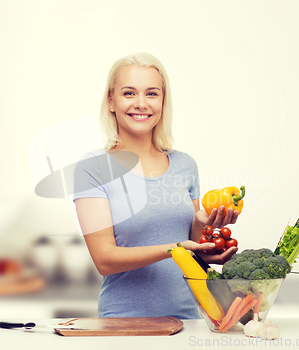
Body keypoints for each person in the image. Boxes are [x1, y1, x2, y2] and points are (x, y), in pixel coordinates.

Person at [73, 53, 239, 319]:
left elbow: (192, 250)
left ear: (163, 102)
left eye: (151, 94)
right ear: (111, 100)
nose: (141, 104)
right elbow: (104, 260)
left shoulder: (185, 164)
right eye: (129, 93)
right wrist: (173, 248)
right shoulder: (93, 168)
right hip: (124, 324)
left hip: (189, 319)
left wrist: (203, 225)